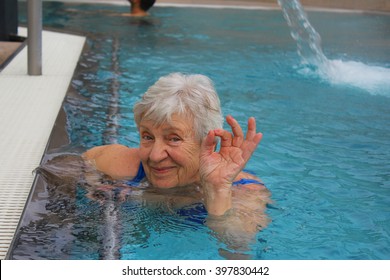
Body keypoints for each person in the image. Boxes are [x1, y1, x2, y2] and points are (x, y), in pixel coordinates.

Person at [83, 73, 269, 217]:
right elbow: (79, 162)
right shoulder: (122, 166)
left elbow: (235, 254)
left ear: (208, 142)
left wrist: (217, 189)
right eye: (147, 137)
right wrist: (92, 183)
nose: (155, 156)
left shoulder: (246, 193)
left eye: (174, 139)